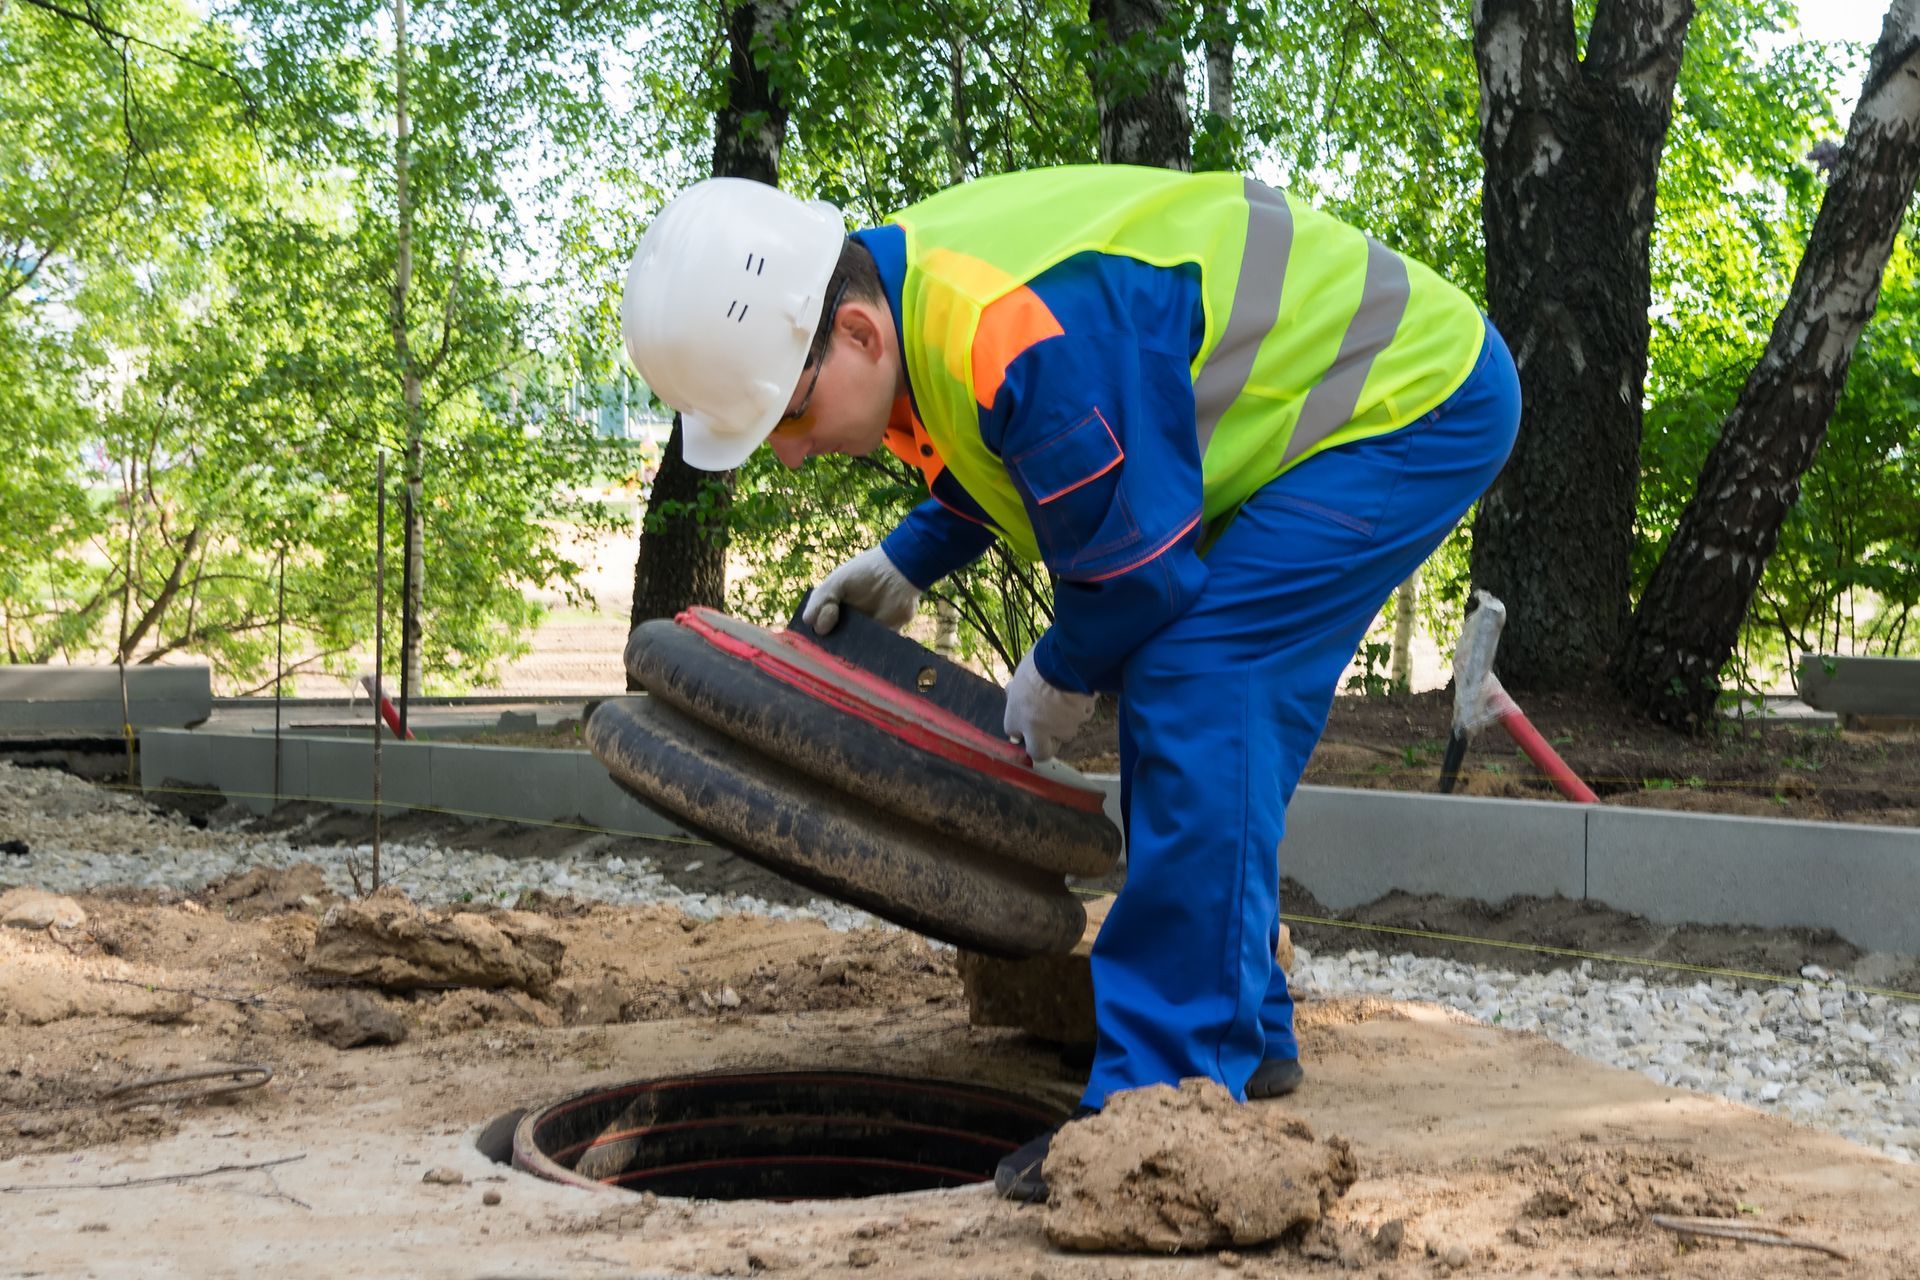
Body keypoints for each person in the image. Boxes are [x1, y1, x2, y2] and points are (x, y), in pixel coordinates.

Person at [621, 166, 1519, 1202]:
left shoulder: (1002, 322)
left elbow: (1138, 565)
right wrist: (912, 555)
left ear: (857, 334)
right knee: (1185, 677)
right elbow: (1018, 436)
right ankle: (1244, 1031)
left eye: (785, 411)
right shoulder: (920, 298)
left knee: (1199, 676)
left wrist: (1061, 666)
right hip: (1329, 416)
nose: (785, 452)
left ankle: (1160, 1103)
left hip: (1409, 400)